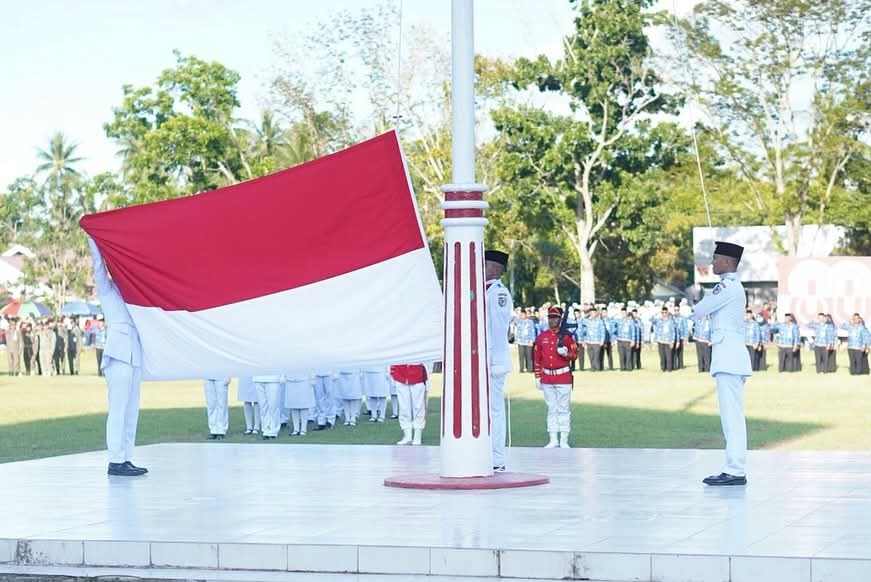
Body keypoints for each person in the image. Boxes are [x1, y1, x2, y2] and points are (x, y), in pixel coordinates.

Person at [691, 241, 751, 486]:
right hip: (730, 356)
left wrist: (703, 297)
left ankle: (735, 470)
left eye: (716, 259)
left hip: (729, 358)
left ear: (727, 262)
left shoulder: (726, 287)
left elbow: (700, 309)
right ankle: (733, 467)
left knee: (732, 417)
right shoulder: (730, 286)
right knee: (731, 416)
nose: (712, 263)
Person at [88, 238, 147, 477]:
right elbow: (98, 268)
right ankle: (115, 459)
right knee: (119, 409)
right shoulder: (108, 290)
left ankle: (126, 457)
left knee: (132, 410)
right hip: (119, 354)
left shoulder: (135, 291)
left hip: (134, 355)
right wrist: (94, 238)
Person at [484, 249, 513, 472]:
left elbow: (496, 329)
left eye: (484, 265)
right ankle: (486, 453)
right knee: (485, 410)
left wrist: (492, 361)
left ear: (495, 268)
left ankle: (498, 458)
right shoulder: (485, 290)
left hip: (495, 361)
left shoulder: (499, 293)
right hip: (484, 360)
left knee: (495, 410)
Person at [534, 306, 578, 448]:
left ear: (560, 319)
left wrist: (566, 354)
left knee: (563, 408)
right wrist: (537, 375)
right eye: (550, 317)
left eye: (555, 317)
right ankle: (553, 439)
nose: (552, 320)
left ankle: (564, 439)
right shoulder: (542, 337)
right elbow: (537, 358)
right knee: (551, 408)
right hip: (547, 377)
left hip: (563, 376)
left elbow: (575, 354)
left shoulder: (567, 337)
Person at [390, 363, 429, 445]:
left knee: (419, 407)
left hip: (418, 375)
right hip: (400, 374)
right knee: (403, 408)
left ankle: (417, 436)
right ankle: (407, 436)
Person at [253, 374, 283, 439]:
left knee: (273, 406)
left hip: (273, 378)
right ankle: (265, 430)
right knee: (263, 407)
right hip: (258, 378)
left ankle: (273, 431)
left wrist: (283, 376)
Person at [653, 308, 678, 372]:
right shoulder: (659, 320)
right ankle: (663, 368)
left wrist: (672, 341)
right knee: (662, 356)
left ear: (668, 313)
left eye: (665, 312)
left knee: (668, 356)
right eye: (663, 312)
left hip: (668, 341)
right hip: (660, 340)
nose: (664, 314)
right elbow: (651, 320)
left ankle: (669, 369)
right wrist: (657, 313)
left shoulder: (671, 321)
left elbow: (673, 332)